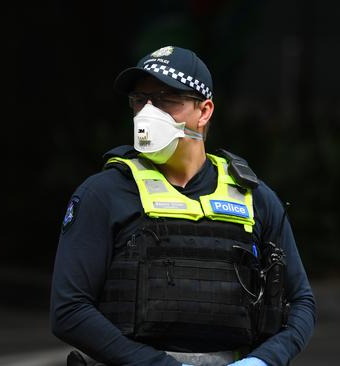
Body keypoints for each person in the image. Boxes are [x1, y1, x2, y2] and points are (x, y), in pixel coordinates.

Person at [50, 45, 316, 366]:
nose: (149, 112)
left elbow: (301, 302)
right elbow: (69, 310)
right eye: (140, 100)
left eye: (166, 100)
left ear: (204, 111)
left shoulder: (254, 199)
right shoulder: (103, 194)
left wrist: (263, 361)